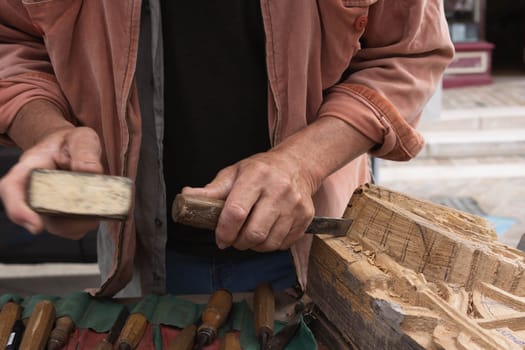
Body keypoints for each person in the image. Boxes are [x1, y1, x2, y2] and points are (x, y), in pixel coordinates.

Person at [0, 0, 454, 297]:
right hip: (137, 257)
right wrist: (46, 131)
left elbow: (409, 53)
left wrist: (303, 163)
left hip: (309, 252)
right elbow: (13, 42)